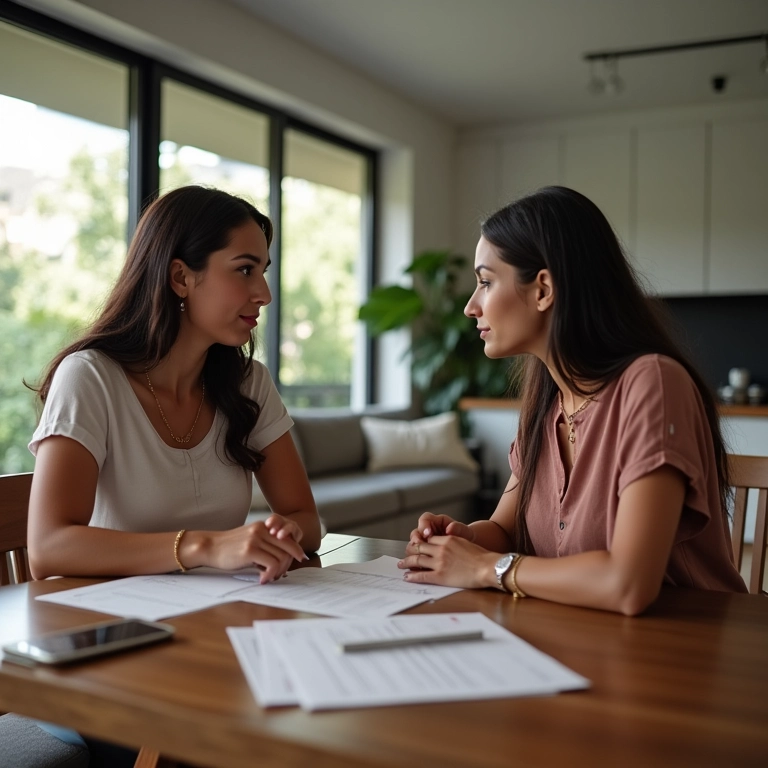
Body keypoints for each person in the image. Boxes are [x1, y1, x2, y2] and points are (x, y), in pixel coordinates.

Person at [398, 186, 747, 615]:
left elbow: (628, 583)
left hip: (685, 640)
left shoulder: (652, 383)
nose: (471, 306)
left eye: (486, 282)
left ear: (543, 289)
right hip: (580, 633)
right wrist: (462, 542)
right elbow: (505, 530)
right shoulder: (546, 402)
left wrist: (487, 568)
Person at [28, 185, 321, 582]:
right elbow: (48, 549)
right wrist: (205, 546)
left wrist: (284, 532)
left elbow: (306, 519)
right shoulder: (90, 377)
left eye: (263, 272)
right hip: (111, 612)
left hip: (220, 608)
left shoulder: (249, 382)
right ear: (181, 277)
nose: (264, 295)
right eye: (245, 270)